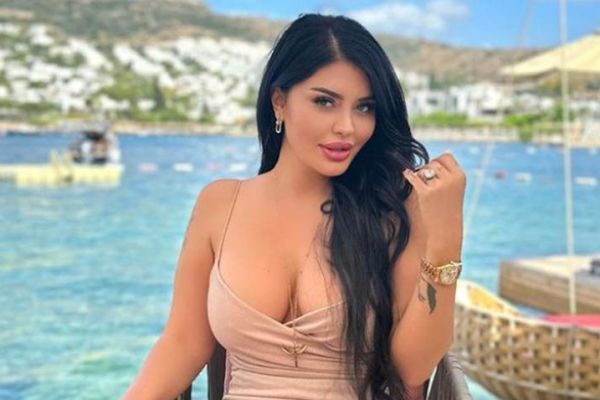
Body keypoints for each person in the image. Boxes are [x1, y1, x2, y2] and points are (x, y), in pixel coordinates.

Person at [122, 13, 466, 400]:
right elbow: (183, 343)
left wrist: (445, 241)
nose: (347, 127)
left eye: (364, 107)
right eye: (325, 102)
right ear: (279, 102)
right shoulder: (220, 204)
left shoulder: (389, 211)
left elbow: (413, 368)